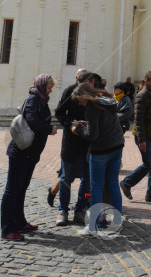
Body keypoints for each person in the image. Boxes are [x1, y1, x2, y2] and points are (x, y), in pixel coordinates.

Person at [1, 74, 57, 241]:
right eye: (49, 87)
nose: (51, 91)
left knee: (21, 188)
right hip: (20, 152)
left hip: (30, 153)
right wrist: (49, 129)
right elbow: (32, 120)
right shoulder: (34, 99)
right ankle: (6, 228)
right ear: (41, 87)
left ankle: (19, 222)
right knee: (12, 190)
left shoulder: (41, 100)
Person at [71, 82, 124, 236]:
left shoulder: (91, 109)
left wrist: (78, 128)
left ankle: (93, 225)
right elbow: (102, 125)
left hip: (101, 150)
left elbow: (92, 135)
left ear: (84, 96)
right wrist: (87, 125)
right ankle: (117, 223)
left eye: (79, 100)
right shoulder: (106, 101)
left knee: (96, 187)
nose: (79, 103)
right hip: (117, 145)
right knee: (113, 184)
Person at [120, 70, 151, 203]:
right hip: (145, 135)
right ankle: (126, 183)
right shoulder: (142, 96)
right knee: (148, 163)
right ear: (147, 81)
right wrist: (142, 140)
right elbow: (138, 120)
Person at [55, 69, 93, 227]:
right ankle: (62, 210)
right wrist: (71, 123)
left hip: (86, 141)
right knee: (66, 178)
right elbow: (59, 113)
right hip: (71, 140)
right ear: (79, 82)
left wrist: (87, 124)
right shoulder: (69, 91)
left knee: (87, 179)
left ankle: (80, 209)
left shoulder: (93, 95)